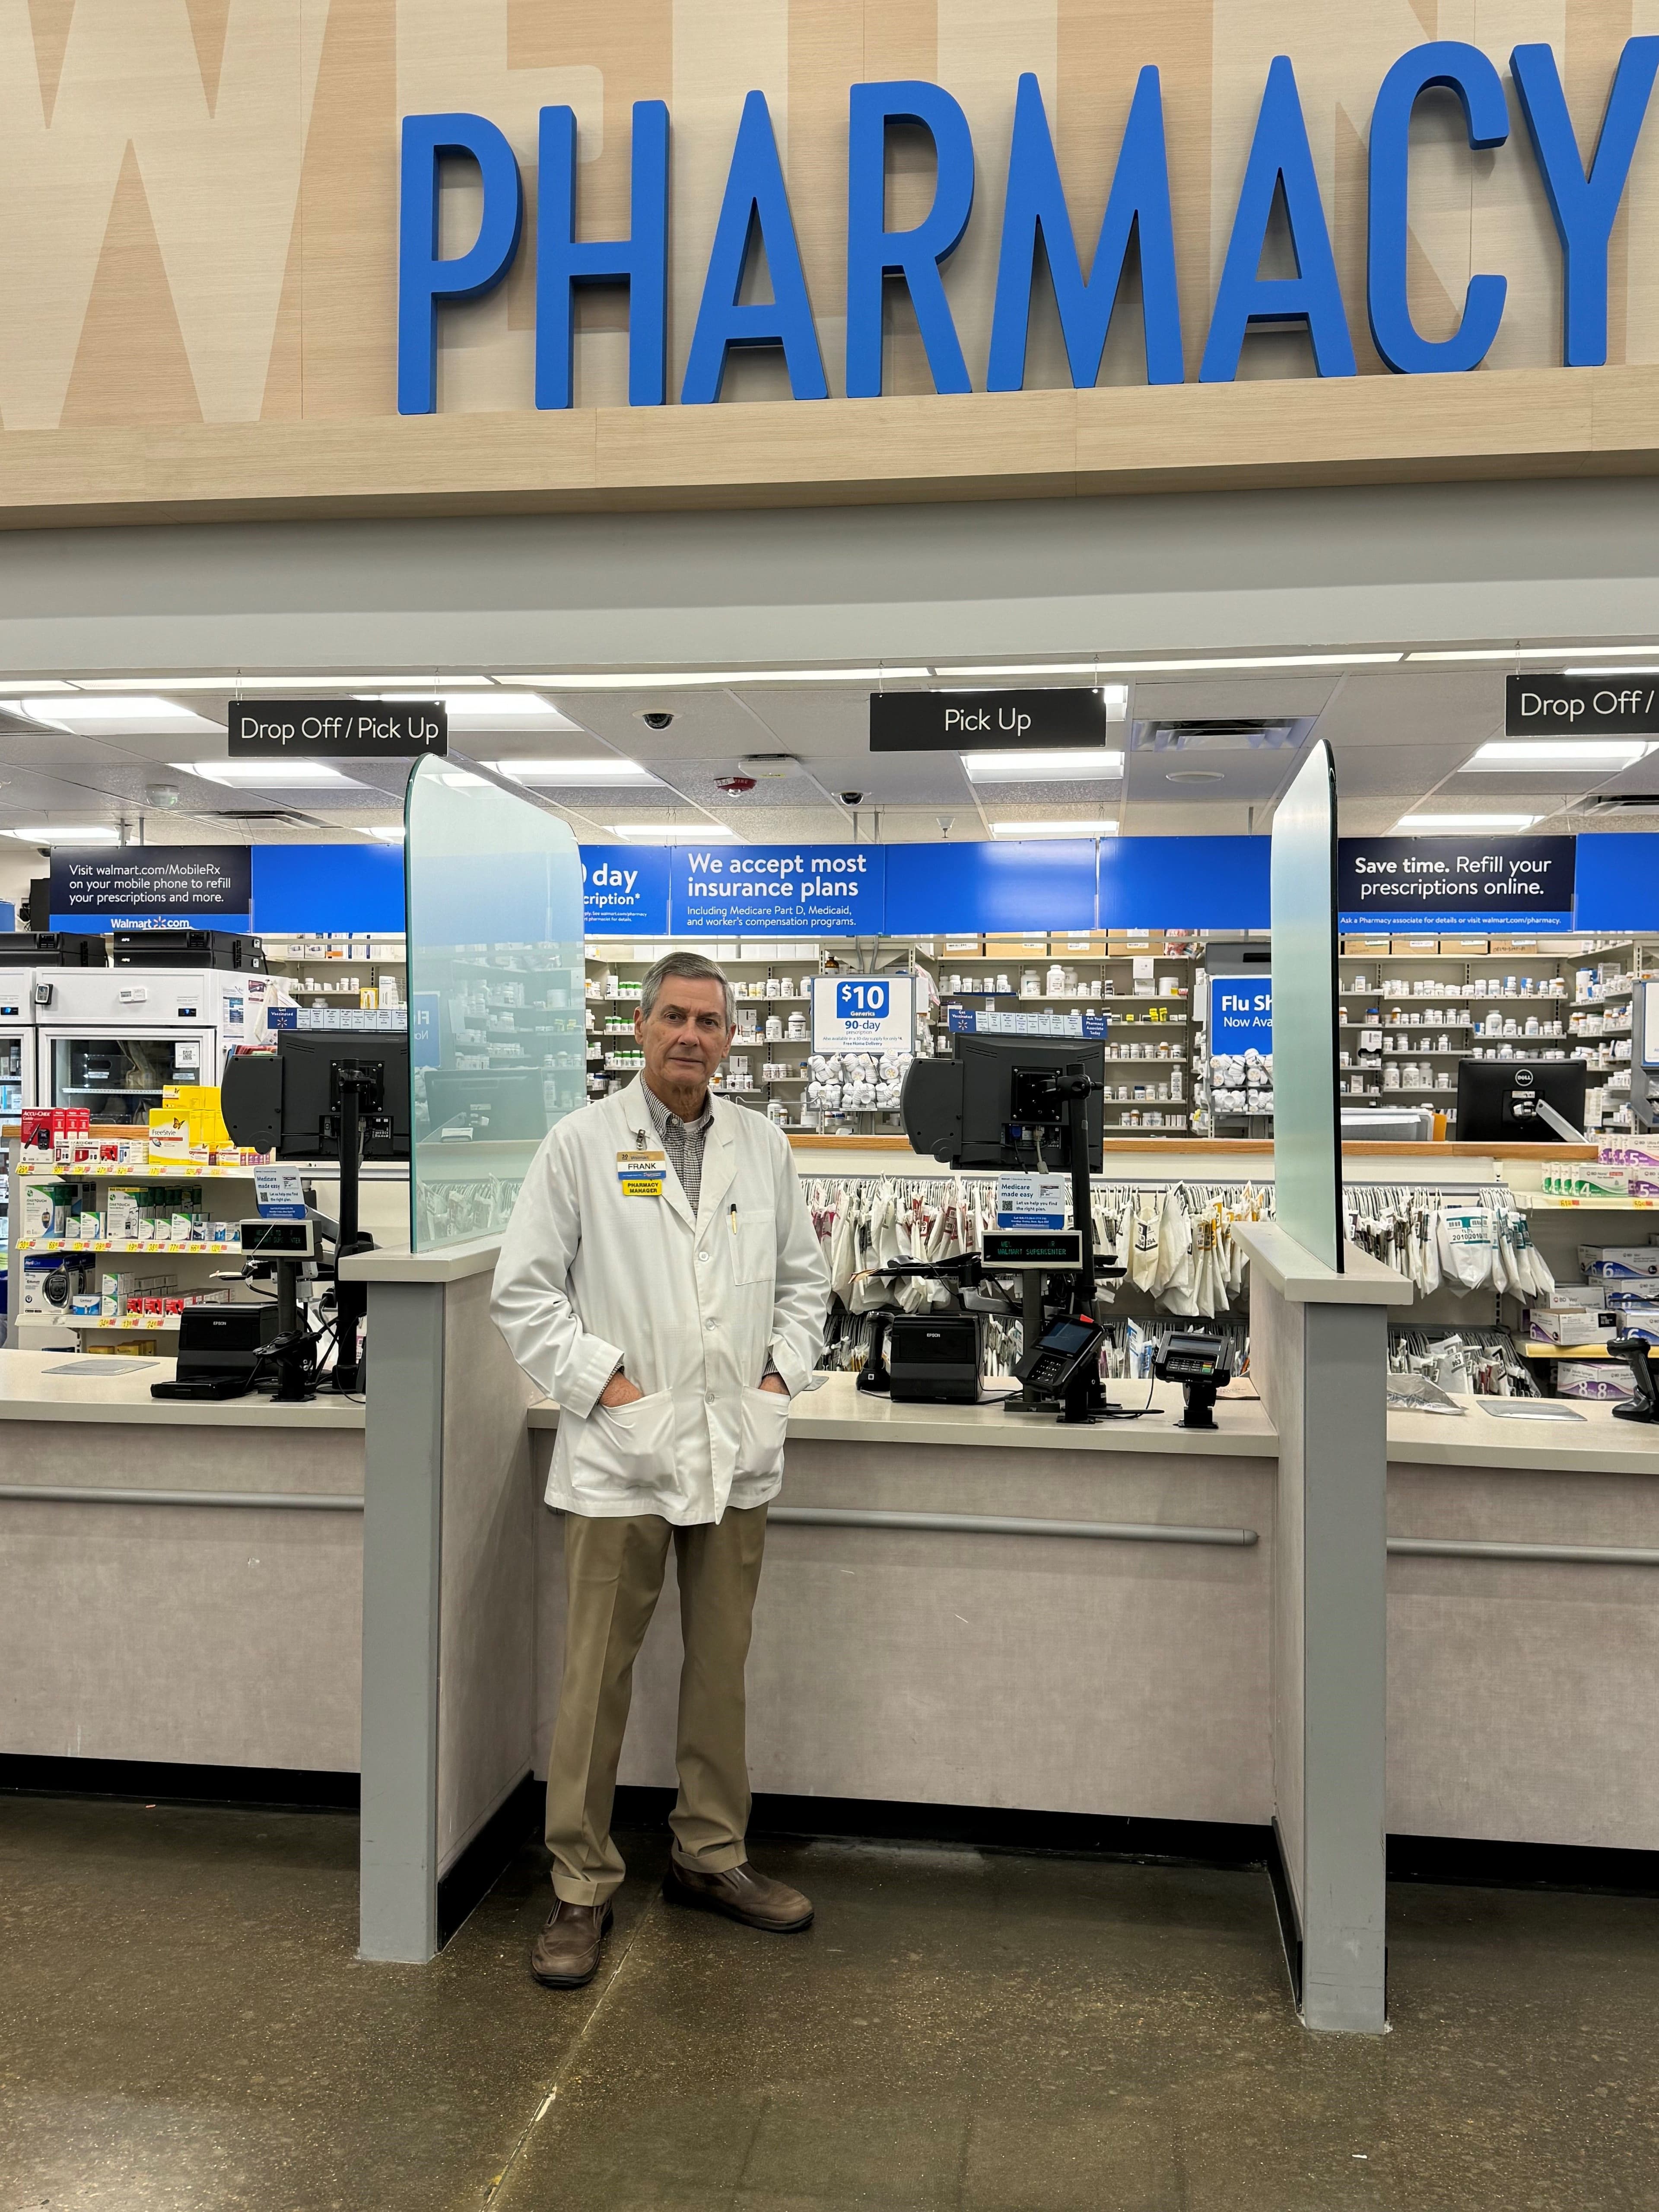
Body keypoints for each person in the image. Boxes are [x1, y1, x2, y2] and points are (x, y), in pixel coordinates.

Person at [492, 950, 830, 1990]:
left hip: (736, 1450)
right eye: (675, 1017)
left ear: (731, 1039)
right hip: (620, 1454)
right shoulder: (582, 1145)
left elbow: (806, 1288)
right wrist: (614, 1391)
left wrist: (778, 1382)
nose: (693, 1036)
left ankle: (709, 1855)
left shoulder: (763, 1146)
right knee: (595, 1678)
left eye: (711, 1022)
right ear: (638, 1029)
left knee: (720, 1670)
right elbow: (526, 1293)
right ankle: (581, 1886)